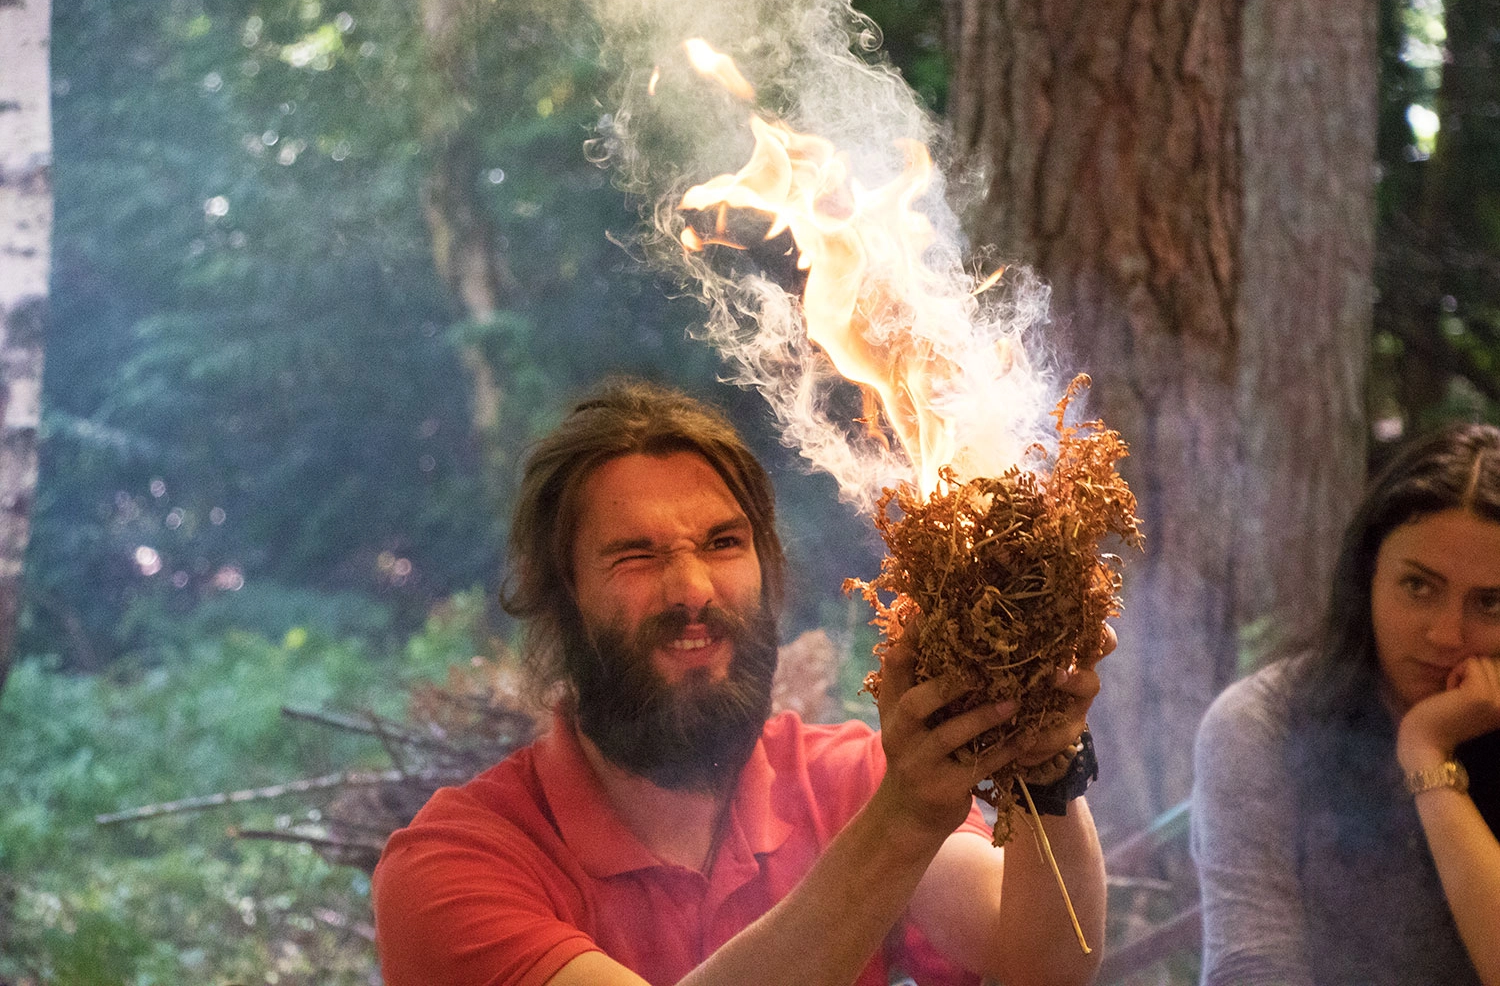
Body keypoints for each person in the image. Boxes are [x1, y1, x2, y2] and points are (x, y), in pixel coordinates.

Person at [372, 379, 1110, 986]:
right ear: (563, 600)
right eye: (635, 555)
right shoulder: (454, 865)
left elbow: (1038, 966)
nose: (692, 588)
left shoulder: (852, 778)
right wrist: (905, 819)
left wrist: (1042, 768)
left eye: (724, 543)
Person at [1191, 423, 1500, 986]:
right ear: (1368, 577)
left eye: (1490, 603)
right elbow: (1252, 970)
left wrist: (1427, 754)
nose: (1448, 635)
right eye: (1419, 586)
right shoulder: (1262, 725)